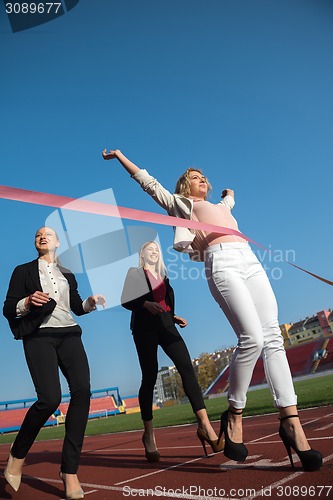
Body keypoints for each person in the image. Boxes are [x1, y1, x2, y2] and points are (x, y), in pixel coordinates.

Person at [103, 148, 322, 471]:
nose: (201, 179)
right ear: (184, 186)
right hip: (221, 263)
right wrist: (122, 157)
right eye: (194, 177)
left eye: (203, 176)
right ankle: (233, 415)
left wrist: (229, 196)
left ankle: (292, 423)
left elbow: (227, 205)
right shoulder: (184, 205)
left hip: (250, 261)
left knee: (273, 337)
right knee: (252, 339)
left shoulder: (220, 206)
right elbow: (150, 185)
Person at [3, 227, 106, 499]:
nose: (42, 236)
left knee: (83, 390)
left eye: (48, 234)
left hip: (69, 333)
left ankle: (69, 471)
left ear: (58, 242)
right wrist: (26, 301)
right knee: (49, 399)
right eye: (37, 234)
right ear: (35, 242)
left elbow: (76, 306)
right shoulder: (22, 271)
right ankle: (17, 455)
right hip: (38, 336)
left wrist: (91, 303)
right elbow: (8, 307)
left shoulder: (67, 274)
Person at [121, 240, 224, 461]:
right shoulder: (135, 273)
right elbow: (125, 300)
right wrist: (145, 305)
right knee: (149, 376)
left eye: (157, 250)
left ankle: (205, 426)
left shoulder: (164, 277)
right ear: (142, 254)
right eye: (150, 249)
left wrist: (173, 316)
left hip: (167, 325)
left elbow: (165, 303)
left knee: (187, 368)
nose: (154, 252)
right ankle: (149, 436)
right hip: (144, 328)